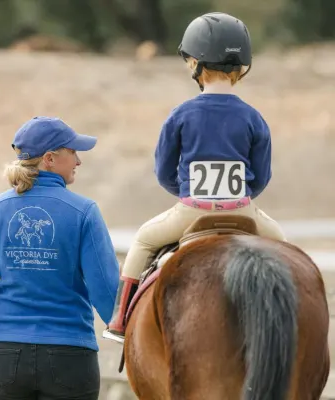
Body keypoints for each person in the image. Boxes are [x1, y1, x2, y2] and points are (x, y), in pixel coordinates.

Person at [103, 12, 286, 342]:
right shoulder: (253, 117)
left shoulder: (180, 114)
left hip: (191, 210)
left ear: (195, 64)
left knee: (144, 240)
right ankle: (290, 319)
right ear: (242, 66)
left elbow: (163, 171)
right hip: (242, 209)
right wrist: (239, 198)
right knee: (284, 247)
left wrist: (187, 194)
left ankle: (120, 318)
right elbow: (262, 176)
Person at [0, 116, 119, 400]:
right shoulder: (84, 212)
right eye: (73, 152)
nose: (78, 161)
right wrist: (136, 347)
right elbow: (107, 294)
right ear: (49, 158)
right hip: (69, 357)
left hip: (5, 360)